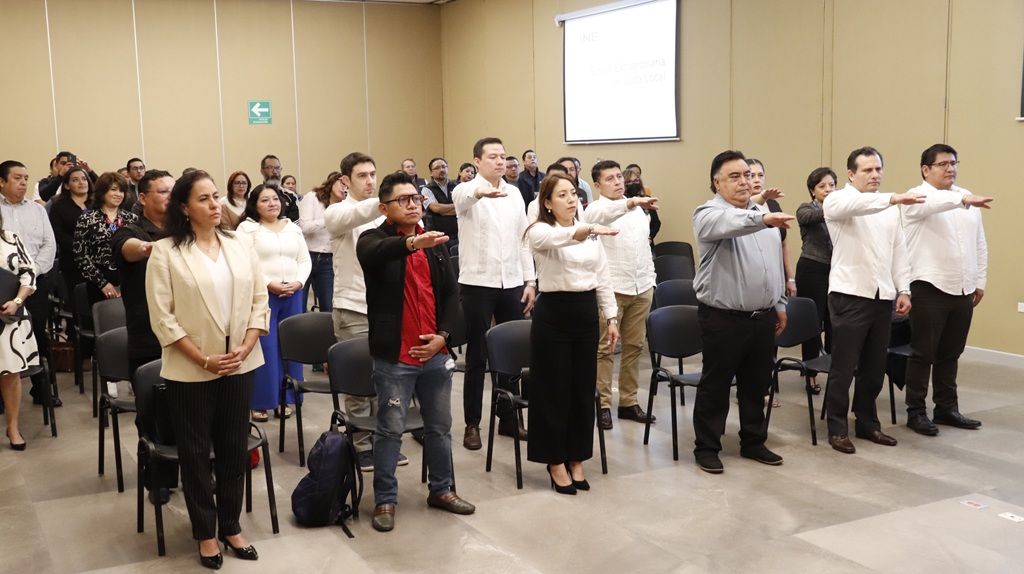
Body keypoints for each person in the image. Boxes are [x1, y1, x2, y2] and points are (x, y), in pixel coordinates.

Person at [146, 169, 268, 569]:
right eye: (204, 199)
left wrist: (247, 345)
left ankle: (231, 526)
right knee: (196, 454)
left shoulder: (239, 243)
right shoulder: (165, 252)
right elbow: (163, 318)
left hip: (241, 363)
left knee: (234, 450)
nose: (216, 205)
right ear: (184, 207)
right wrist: (203, 358)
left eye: (216, 197)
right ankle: (205, 533)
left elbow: (258, 299)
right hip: (190, 370)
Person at [356, 171, 474, 532]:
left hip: (435, 354)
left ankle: (442, 490)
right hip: (396, 358)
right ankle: (385, 500)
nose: (412, 205)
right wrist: (412, 244)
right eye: (403, 200)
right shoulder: (372, 239)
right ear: (384, 207)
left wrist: (445, 336)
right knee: (390, 430)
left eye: (416, 199)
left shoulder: (435, 242)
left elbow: (451, 295)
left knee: (440, 428)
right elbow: (377, 253)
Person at [691, 150, 792, 474]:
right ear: (716, 183)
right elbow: (732, 224)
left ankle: (753, 441)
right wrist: (762, 217)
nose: (743, 182)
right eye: (734, 176)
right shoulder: (708, 213)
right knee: (716, 385)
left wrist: (779, 302)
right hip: (723, 318)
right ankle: (707, 447)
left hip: (761, 317)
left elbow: (772, 264)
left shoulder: (761, 213)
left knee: (756, 384)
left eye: (747, 175)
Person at [822, 147, 922, 454]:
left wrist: (903, 289)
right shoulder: (837, 199)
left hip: (882, 296)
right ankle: (837, 427)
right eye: (867, 170)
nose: (875, 175)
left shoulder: (890, 208)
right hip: (849, 294)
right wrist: (892, 198)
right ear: (851, 174)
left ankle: (867, 423)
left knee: (875, 365)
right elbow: (858, 205)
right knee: (844, 365)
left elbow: (899, 251)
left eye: (878, 169)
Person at [525, 171, 619, 493]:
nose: (570, 200)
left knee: (581, 390)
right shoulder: (539, 230)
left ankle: (577, 457)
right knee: (554, 391)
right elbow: (559, 239)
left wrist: (612, 317)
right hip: (553, 315)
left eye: (573, 194)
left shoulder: (589, 234)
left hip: (585, 315)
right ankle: (555, 460)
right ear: (548, 203)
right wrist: (587, 228)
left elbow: (602, 277)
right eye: (562, 195)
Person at [325, 152, 408, 471]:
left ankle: (383, 441)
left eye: (373, 174)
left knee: (386, 382)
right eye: (362, 175)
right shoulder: (338, 212)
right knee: (360, 383)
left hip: (386, 308)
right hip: (353, 307)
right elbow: (356, 214)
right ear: (345, 181)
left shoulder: (381, 213)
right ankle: (360, 444)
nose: (370, 180)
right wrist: (390, 201)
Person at [902, 144, 992, 435]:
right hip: (929, 286)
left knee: (950, 353)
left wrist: (980, 280)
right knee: (922, 354)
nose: (950, 168)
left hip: (963, 287)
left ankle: (946, 408)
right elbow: (933, 203)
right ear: (926, 170)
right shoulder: (916, 197)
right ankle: (916, 412)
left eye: (953, 163)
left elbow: (979, 243)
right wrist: (963, 198)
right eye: (942, 164)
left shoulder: (966, 199)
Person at [453, 137, 536, 450]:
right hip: (478, 282)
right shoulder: (466, 190)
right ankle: (472, 424)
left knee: (511, 356)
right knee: (478, 355)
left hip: (512, 281)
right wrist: (480, 190)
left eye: (503, 156)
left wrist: (530, 281)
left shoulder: (515, 193)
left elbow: (524, 240)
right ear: (477, 161)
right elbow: (462, 197)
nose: (500, 161)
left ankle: (509, 418)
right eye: (492, 157)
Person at [112, 168, 177, 502]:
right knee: (153, 414)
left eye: (173, 190)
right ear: (144, 197)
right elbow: (130, 248)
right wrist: (158, 248)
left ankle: (192, 469)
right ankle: (158, 478)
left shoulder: (186, 228)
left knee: (188, 410)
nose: (170, 195)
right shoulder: (131, 229)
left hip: (186, 335)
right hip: (148, 337)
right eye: (163, 191)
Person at [583, 160, 659, 430]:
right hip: (611, 290)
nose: (617, 182)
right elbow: (605, 217)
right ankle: (602, 404)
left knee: (635, 347)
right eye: (610, 178)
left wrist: (650, 280)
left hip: (641, 286)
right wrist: (632, 203)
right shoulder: (594, 209)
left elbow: (644, 247)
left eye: (619, 177)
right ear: (597, 185)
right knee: (604, 350)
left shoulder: (638, 210)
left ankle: (628, 401)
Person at [236, 184, 310, 423]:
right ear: (254, 205)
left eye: (275, 199)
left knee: (291, 345)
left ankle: (286, 398)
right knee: (265, 348)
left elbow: (304, 259)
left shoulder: (292, 227)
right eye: (265, 200)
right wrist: (270, 284)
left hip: (293, 292)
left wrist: (298, 283)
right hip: (262, 293)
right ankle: (260, 401)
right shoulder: (247, 228)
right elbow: (246, 262)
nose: (272, 204)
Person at [0, 160, 58, 409]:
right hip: (1, 287)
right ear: (2, 181)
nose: (23, 182)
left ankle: (42, 389)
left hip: (35, 285)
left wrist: (30, 274)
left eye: (26, 178)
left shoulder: (37, 210)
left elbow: (49, 245)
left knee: (37, 333)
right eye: (17, 178)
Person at [747, 158, 797, 408]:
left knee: (769, 339)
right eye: (751, 175)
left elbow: (783, 243)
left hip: (775, 281)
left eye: (760, 175)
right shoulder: (741, 207)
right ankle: (752, 390)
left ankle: (764, 387)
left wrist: (789, 277)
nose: (756, 180)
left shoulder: (774, 205)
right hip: (752, 284)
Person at [0, 177, 41, 450]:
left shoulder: (10, 239)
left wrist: (16, 301)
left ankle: (13, 427)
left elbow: (29, 275)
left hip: (8, 317)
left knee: (10, 373)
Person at [795, 167, 837, 394]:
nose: (828, 189)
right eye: (822, 186)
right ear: (813, 191)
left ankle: (833, 368)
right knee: (813, 325)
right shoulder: (806, 208)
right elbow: (806, 217)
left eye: (831, 185)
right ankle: (810, 374)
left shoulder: (841, 211)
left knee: (833, 323)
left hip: (835, 272)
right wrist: (834, 208)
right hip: (812, 270)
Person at [72, 172, 138, 302]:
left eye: (121, 191)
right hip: (98, 281)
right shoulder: (87, 219)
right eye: (113, 190)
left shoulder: (132, 219)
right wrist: (102, 283)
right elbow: (80, 255)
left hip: (129, 279)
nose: (118, 194)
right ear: (102, 192)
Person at [298, 171, 344, 314]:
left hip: (328, 260)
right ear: (332, 181)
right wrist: (329, 219)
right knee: (299, 306)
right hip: (306, 256)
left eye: (348, 186)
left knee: (328, 308)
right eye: (342, 183)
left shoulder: (345, 207)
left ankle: (326, 336)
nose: (344, 188)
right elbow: (305, 226)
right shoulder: (313, 197)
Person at [50, 165, 93, 309]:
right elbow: (58, 234)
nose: (81, 182)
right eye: (75, 180)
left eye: (84, 179)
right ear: (67, 185)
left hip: (100, 260)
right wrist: (81, 247)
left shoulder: (98, 203)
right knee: (80, 303)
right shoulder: (59, 206)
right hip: (73, 261)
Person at [421, 158, 458, 248]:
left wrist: (443, 210)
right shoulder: (427, 189)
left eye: (443, 167)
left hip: (457, 234)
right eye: (437, 168)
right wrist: (457, 205)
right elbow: (436, 208)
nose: (441, 170)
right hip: (436, 236)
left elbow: (464, 209)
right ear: (431, 173)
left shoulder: (457, 186)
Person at [252, 155, 299, 222]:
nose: (275, 172)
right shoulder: (254, 195)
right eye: (270, 168)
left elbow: (296, 222)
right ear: (262, 171)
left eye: (277, 168)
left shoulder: (291, 196)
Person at [622, 166, 660, 243]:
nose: (633, 184)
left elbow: (656, 223)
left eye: (636, 180)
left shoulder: (646, 200)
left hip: (647, 244)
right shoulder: (621, 203)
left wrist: (649, 238)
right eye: (629, 182)